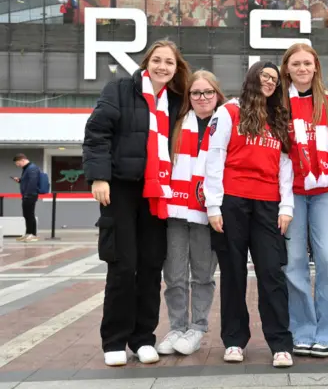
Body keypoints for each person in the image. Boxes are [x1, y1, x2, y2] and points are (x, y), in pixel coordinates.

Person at [83, 39, 190, 367]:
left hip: (157, 193)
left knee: (150, 266)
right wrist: (99, 177)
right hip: (121, 189)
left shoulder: (176, 100)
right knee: (122, 265)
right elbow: (97, 133)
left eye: (169, 62)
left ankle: (144, 337)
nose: (162, 66)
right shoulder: (119, 89)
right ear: (147, 63)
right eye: (157, 60)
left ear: (176, 68)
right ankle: (114, 340)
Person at [204, 61, 295, 368]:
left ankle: (280, 344)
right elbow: (214, 157)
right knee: (233, 274)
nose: (269, 82)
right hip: (232, 202)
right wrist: (213, 205)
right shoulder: (229, 111)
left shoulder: (279, 118)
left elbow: (286, 166)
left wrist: (286, 206)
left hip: (268, 205)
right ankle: (233, 340)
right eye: (264, 76)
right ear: (252, 79)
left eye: (274, 79)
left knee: (271, 273)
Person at [280, 43, 328, 358]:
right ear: (287, 68)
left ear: (316, 66)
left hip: (325, 192)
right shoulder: (278, 104)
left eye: (307, 63)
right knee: (294, 263)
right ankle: (302, 331)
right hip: (292, 193)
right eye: (296, 64)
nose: (302, 68)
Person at [157, 70, 224, 356]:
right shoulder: (176, 123)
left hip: (207, 211)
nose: (202, 97)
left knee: (202, 275)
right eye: (196, 93)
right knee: (173, 274)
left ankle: (197, 327)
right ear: (189, 97)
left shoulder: (226, 123)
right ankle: (177, 327)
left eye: (208, 92)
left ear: (217, 94)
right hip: (174, 209)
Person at [11, 153, 41, 242]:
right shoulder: (27, 168)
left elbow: (33, 182)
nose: (17, 165)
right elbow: (28, 181)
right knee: (27, 215)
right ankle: (28, 234)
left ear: (22, 160)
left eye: (18, 163)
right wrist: (20, 180)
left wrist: (27, 194)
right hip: (27, 195)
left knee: (30, 215)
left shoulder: (32, 168)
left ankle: (33, 235)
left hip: (30, 195)